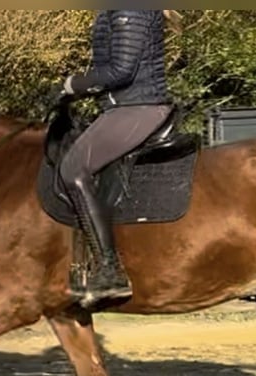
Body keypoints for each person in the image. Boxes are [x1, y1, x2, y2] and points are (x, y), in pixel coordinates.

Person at [53, 10, 175, 311]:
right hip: (123, 106)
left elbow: (121, 71)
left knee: (73, 169)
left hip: (139, 107)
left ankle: (110, 271)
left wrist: (73, 84)